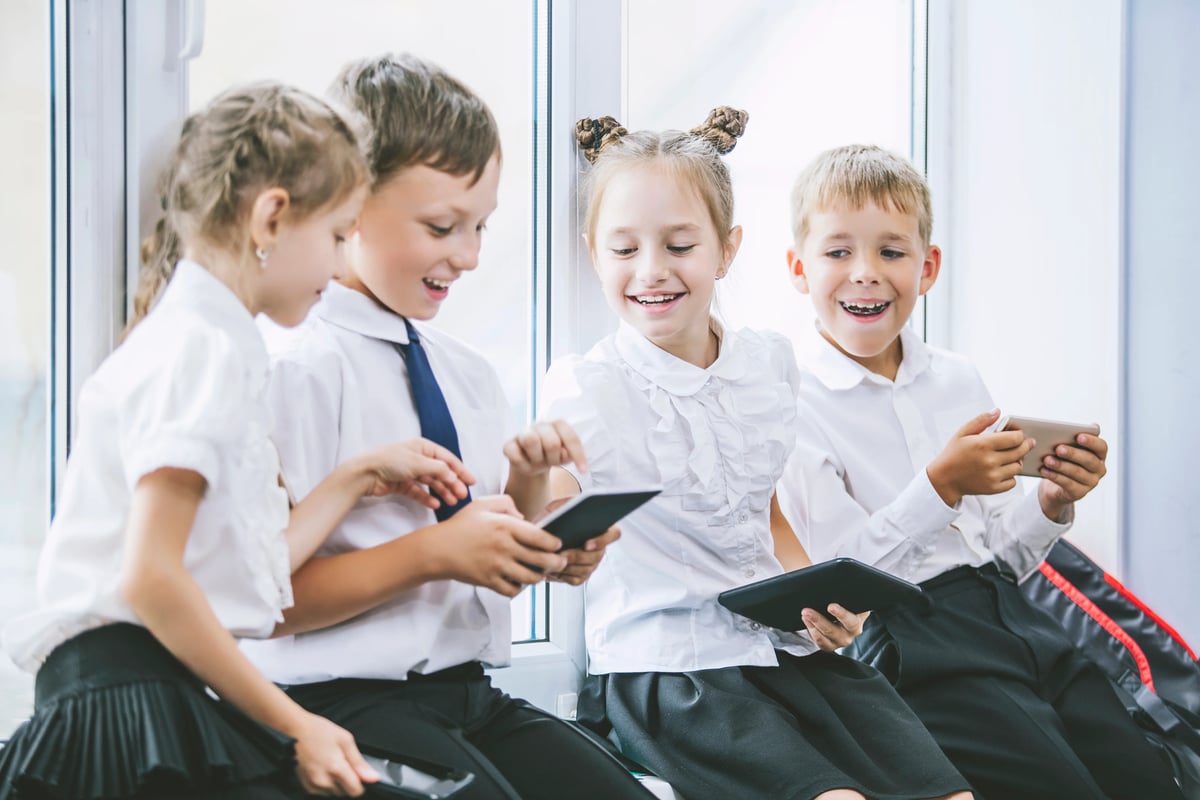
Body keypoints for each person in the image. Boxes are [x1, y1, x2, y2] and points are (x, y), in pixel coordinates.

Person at [0, 82, 478, 800]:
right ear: (272, 218)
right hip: (128, 709)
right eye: (339, 235)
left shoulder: (214, 341)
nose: (340, 262)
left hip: (146, 695)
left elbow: (240, 572)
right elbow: (150, 578)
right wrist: (298, 722)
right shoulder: (202, 349)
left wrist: (352, 479)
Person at [240, 54, 656, 800]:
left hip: (468, 696)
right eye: (441, 226)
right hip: (338, 704)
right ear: (350, 204)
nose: (466, 256)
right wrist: (433, 551)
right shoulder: (297, 366)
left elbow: (476, 550)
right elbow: (266, 601)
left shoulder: (467, 373)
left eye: (480, 227)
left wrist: (546, 540)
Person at [536, 109, 973, 800]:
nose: (651, 271)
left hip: (780, 656)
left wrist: (816, 602)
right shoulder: (587, 385)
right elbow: (550, 507)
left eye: (680, 244)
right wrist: (549, 516)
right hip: (673, 676)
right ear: (594, 254)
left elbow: (764, 515)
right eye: (624, 250)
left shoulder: (766, 364)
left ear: (726, 249)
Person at [776, 143, 1184, 799]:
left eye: (891, 251)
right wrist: (939, 487)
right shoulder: (793, 403)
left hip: (1013, 617)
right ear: (798, 269)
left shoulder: (955, 378)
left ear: (927, 267)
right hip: (913, 642)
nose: (865, 273)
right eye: (837, 252)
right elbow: (841, 586)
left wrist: (1050, 500)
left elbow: (1002, 555)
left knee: (1148, 780)